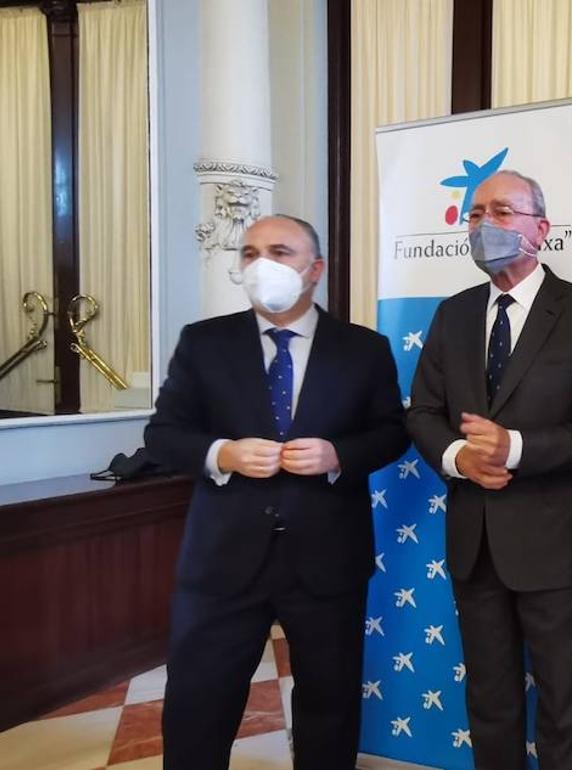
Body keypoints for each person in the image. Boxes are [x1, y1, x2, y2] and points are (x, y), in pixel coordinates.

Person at [145, 215, 409, 770]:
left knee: (329, 701)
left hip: (328, 556)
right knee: (199, 699)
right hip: (222, 557)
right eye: (249, 252)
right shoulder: (203, 342)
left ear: (314, 270)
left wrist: (339, 455)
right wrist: (224, 453)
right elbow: (163, 435)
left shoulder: (364, 349)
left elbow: (391, 432)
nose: (261, 263)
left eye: (279, 251)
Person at [406, 170, 572, 770]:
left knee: (563, 706)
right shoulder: (452, 315)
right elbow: (424, 411)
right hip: (476, 545)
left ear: (541, 229)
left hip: (559, 548)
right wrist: (459, 459)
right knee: (490, 700)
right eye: (476, 215)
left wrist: (517, 448)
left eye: (502, 212)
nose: (484, 225)